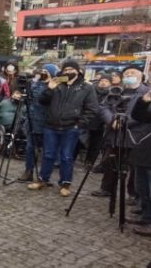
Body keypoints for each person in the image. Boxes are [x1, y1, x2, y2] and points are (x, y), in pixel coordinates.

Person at [28, 60, 98, 196]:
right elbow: (42, 101)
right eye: (65, 70)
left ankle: (65, 183)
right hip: (51, 126)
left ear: (78, 71)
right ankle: (43, 179)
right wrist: (50, 88)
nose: (68, 72)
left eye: (71, 70)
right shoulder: (57, 83)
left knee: (66, 156)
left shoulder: (86, 87)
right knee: (48, 154)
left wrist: (80, 123)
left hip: (71, 127)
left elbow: (92, 108)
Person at [91, 66, 150, 201]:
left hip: (136, 135)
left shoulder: (147, 92)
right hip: (114, 133)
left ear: (141, 76)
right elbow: (104, 107)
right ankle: (106, 188)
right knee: (109, 162)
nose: (129, 75)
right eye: (127, 73)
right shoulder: (116, 91)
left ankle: (134, 193)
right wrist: (112, 120)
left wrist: (124, 123)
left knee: (134, 167)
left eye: (132, 73)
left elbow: (144, 113)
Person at [16, 68, 51, 182]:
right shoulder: (36, 84)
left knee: (48, 151)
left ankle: (44, 176)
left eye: (47, 72)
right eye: (43, 72)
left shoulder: (56, 85)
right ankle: (28, 171)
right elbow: (31, 97)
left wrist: (50, 83)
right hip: (32, 119)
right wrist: (35, 82)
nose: (44, 74)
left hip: (48, 122)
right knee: (30, 147)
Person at [128, 88, 151, 236]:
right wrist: (143, 102)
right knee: (143, 189)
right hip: (144, 152)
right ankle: (146, 216)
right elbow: (140, 116)